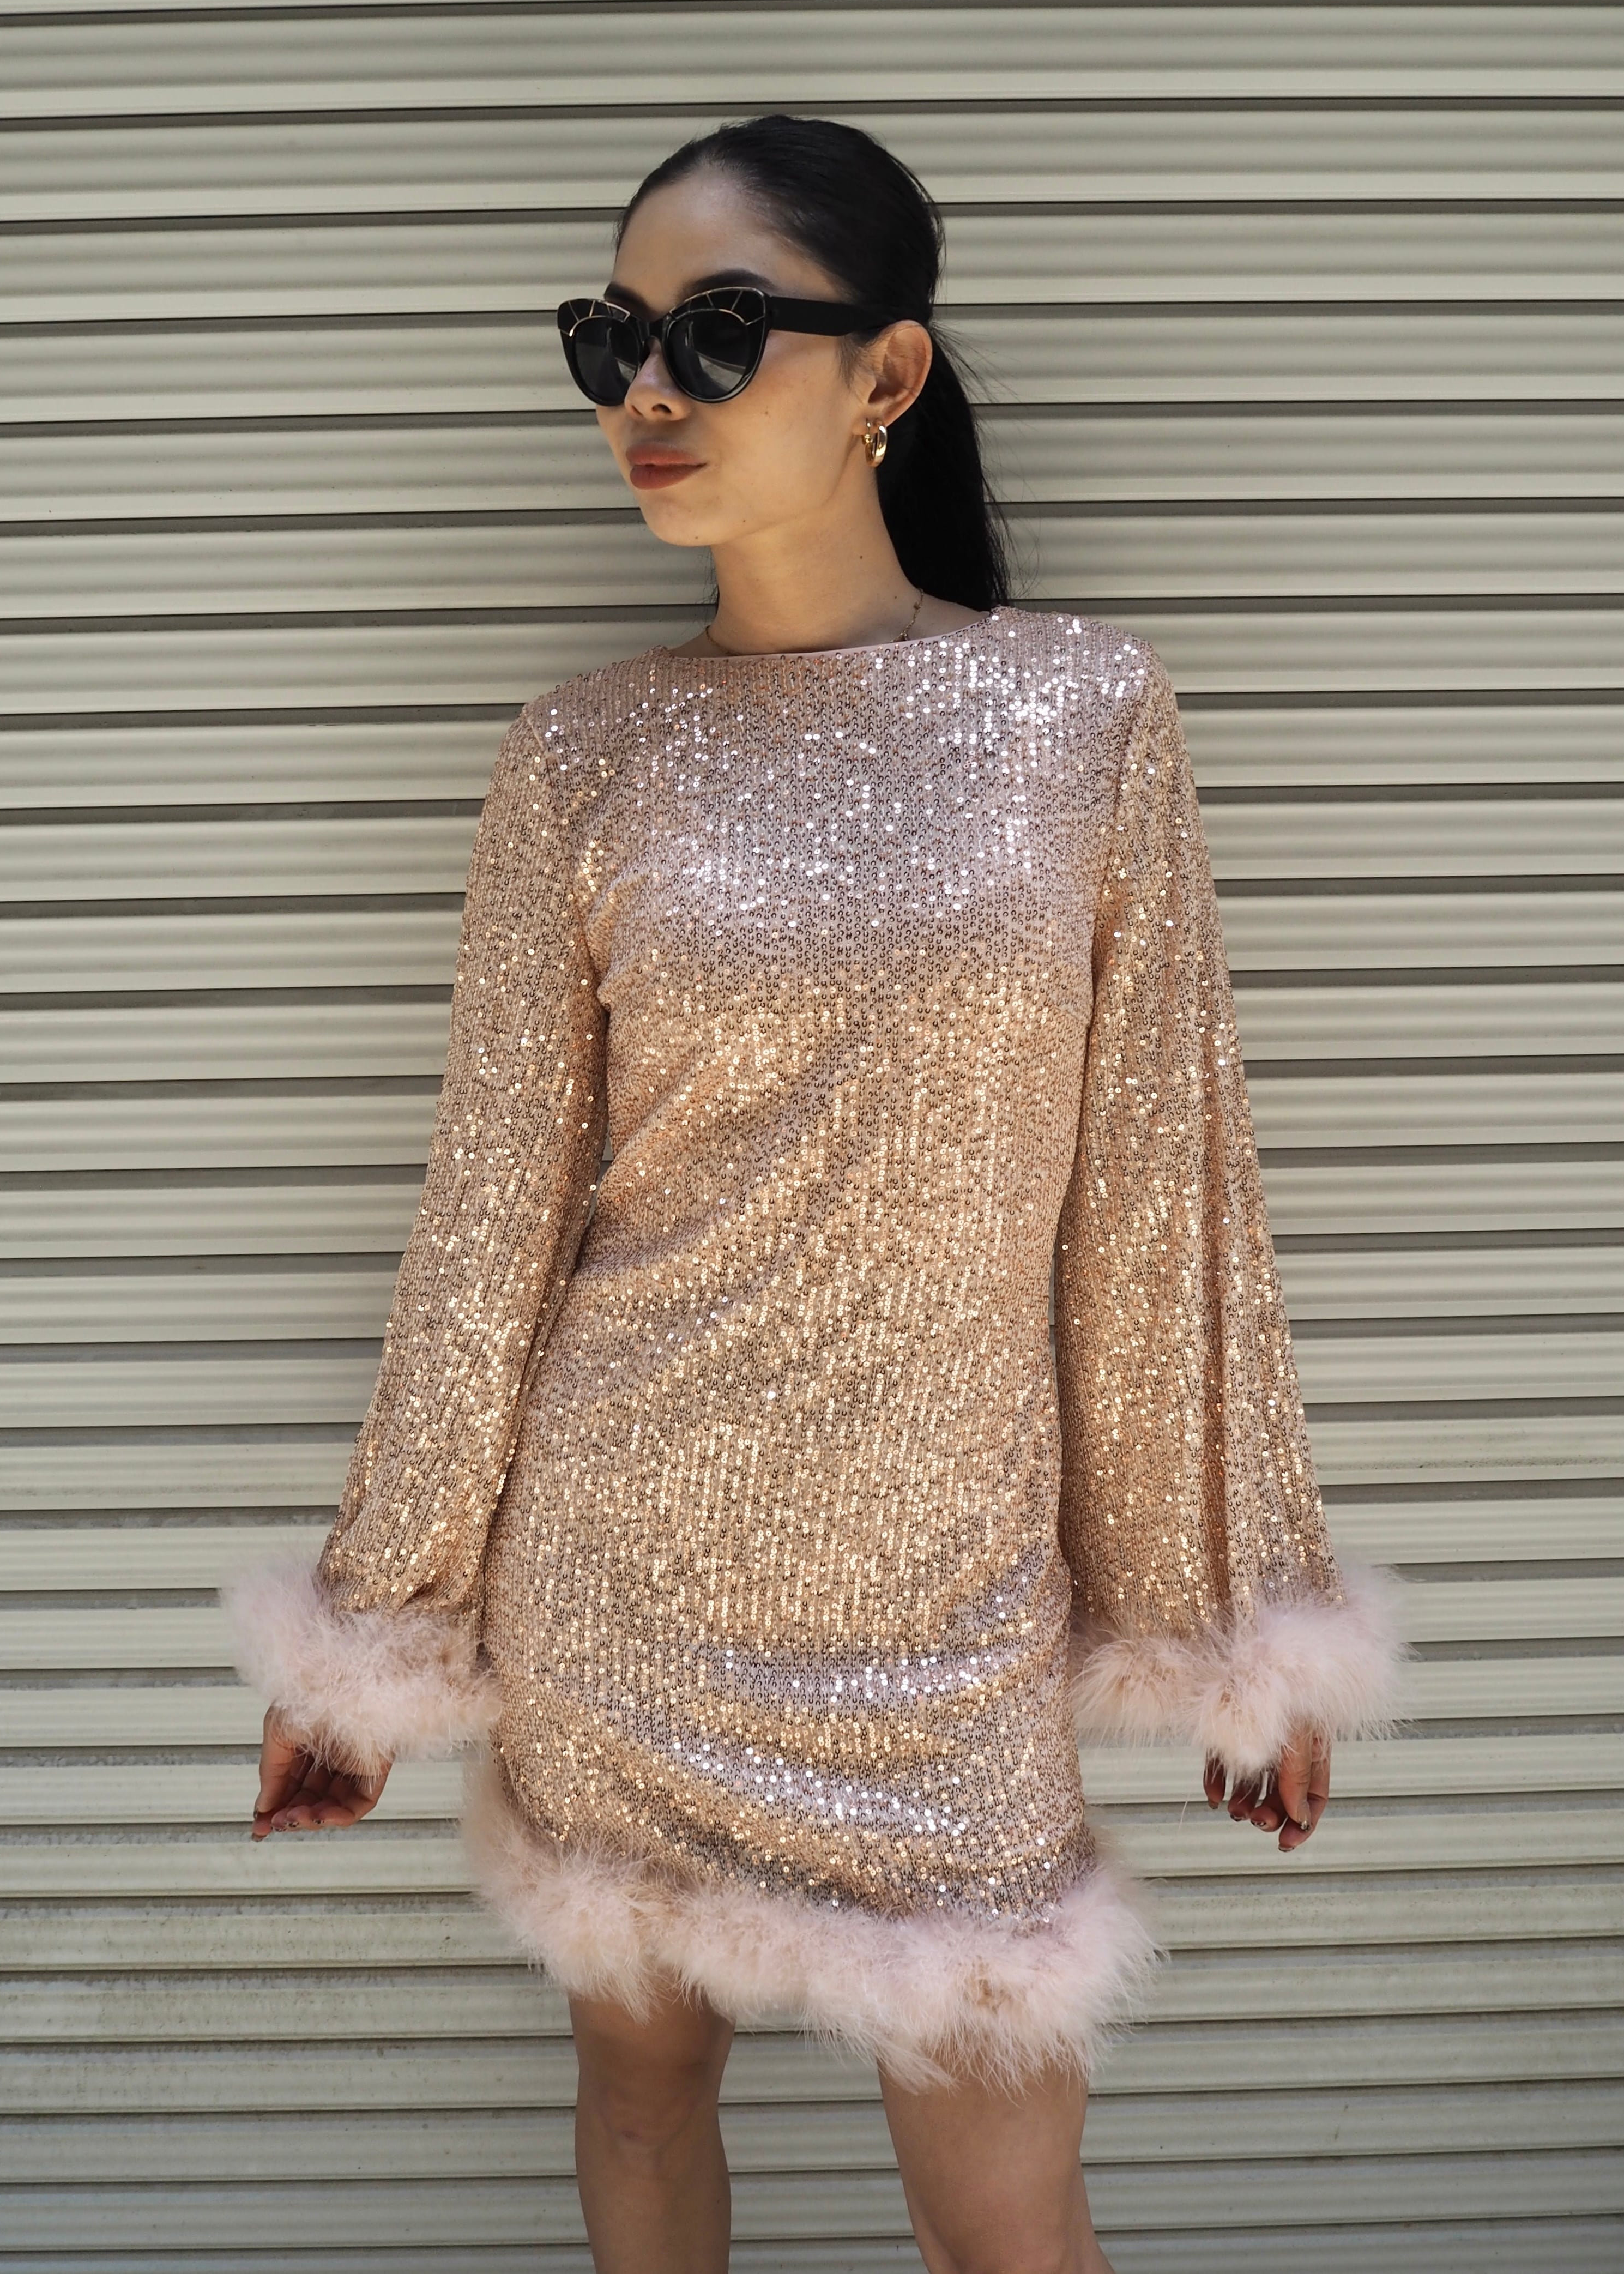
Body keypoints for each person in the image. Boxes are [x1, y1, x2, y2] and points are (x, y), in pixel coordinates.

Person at [226, 113, 1409, 2274]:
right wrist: (371, 1634)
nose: (646, 391)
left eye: (717, 331)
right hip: (621, 1585)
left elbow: (1160, 1205)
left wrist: (1241, 1624)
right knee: (641, 2102)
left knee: (1010, 2219)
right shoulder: (579, 757)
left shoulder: (1082, 713)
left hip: (948, 1614)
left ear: (888, 375)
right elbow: (488, 1224)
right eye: (610, 341)